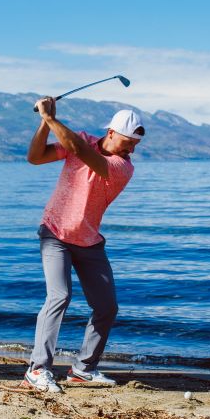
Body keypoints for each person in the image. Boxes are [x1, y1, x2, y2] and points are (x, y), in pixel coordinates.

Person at [23, 96, 145, 394]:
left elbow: (80, 150)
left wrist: (51, 118)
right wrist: (44, 121)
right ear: (111, 133)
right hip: (55, 233)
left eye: (135, 145)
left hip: (89, 241)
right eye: (127, 141)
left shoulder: (121, 167)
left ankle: (83, 369)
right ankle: (37, 369)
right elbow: (35, 157)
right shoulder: (82, 141)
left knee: (106, 307)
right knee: (59, 296)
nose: (131, 149)